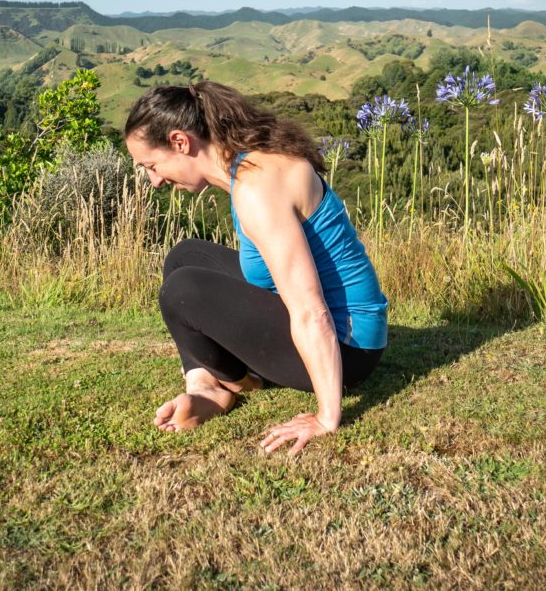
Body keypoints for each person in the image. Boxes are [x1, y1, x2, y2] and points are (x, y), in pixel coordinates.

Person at [124, 82, 388, 456]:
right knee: (186, 257)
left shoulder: (257, 188)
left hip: (351, 350)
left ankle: (233, 383)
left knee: (183, 290)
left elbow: (311, 309)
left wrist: (326, 417)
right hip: (344, 330)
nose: (155, 180)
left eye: (152, 165)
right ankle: (206, 386)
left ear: (180, 142)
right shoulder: (249, 163)